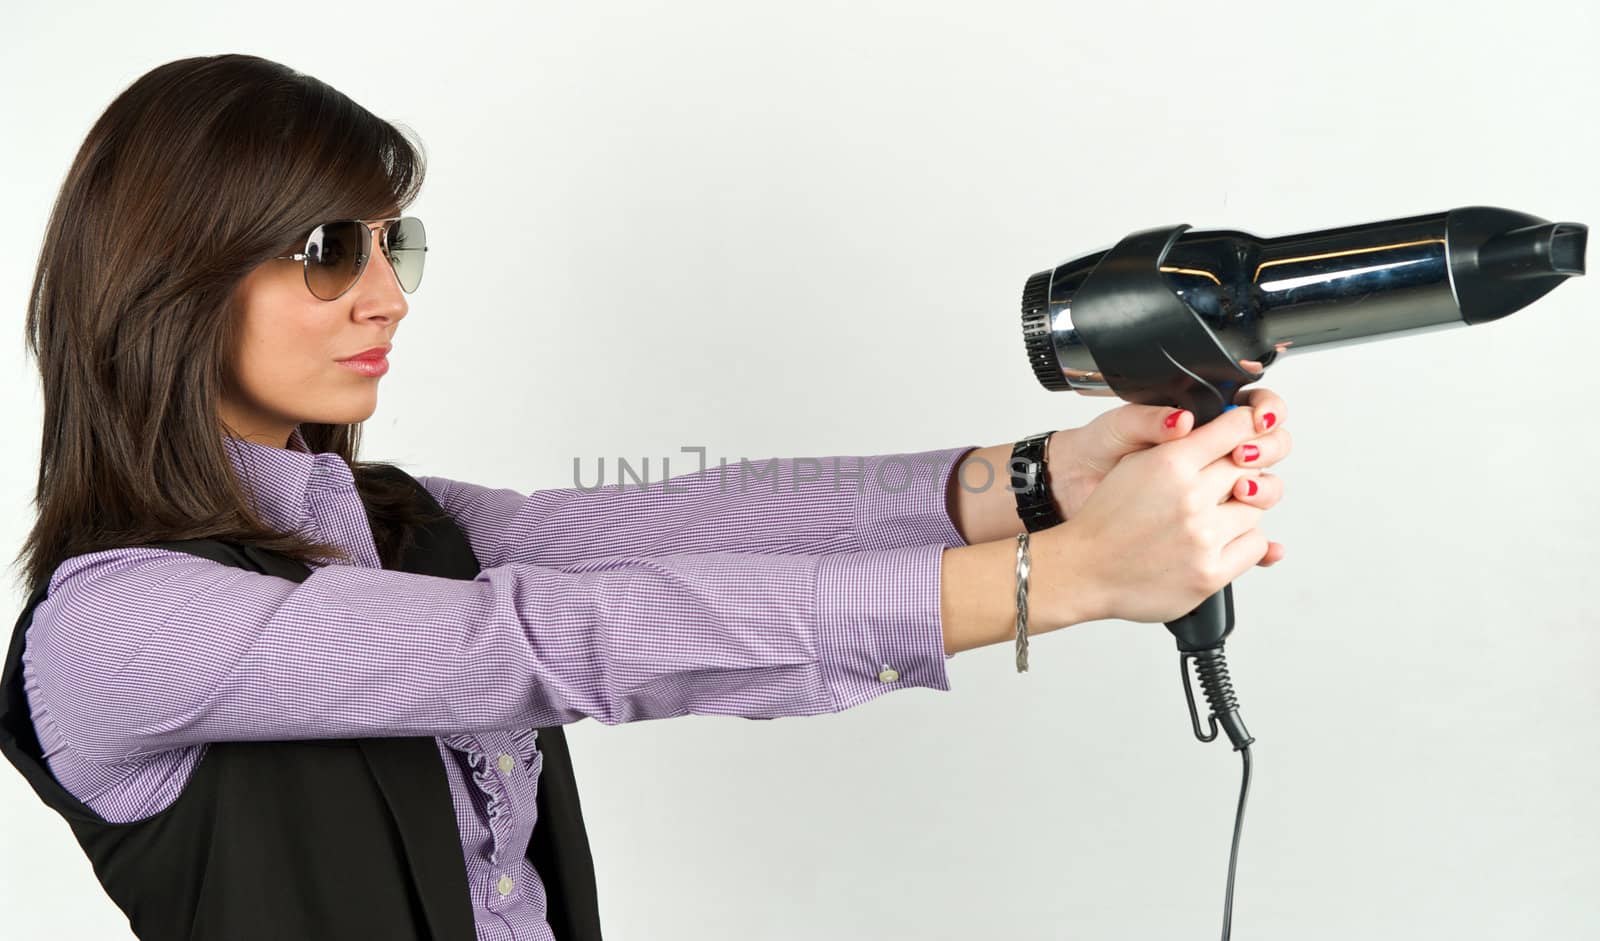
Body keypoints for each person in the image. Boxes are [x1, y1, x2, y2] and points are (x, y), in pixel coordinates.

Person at [0, 54, 1291, 941]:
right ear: (170, 279)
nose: (388, 295)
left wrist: (1035, 482)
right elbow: (548, 642)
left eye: (399, 245)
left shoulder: (396, 527)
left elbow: (682, 525)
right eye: (331, 250)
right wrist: (1054, 583)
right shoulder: (120, 623)